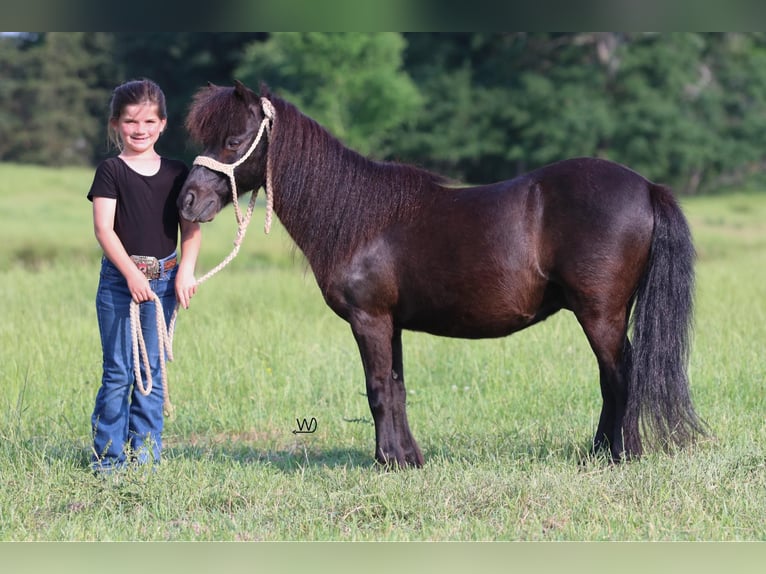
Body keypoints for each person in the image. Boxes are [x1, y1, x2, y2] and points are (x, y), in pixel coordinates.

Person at [87, 78, 201, 473]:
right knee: (119, 372)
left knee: (150, 371)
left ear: (163, 123)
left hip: (164, 282)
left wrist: (185, 270)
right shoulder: (111, 171)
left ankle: (147, 459)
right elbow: (104, 229)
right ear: (116, 123)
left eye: (150, 121)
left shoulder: (176, 171)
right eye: (132, 121)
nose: (141, 129)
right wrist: (132, 276)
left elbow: (192, 228)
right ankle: (108, 460)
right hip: (122, 283)